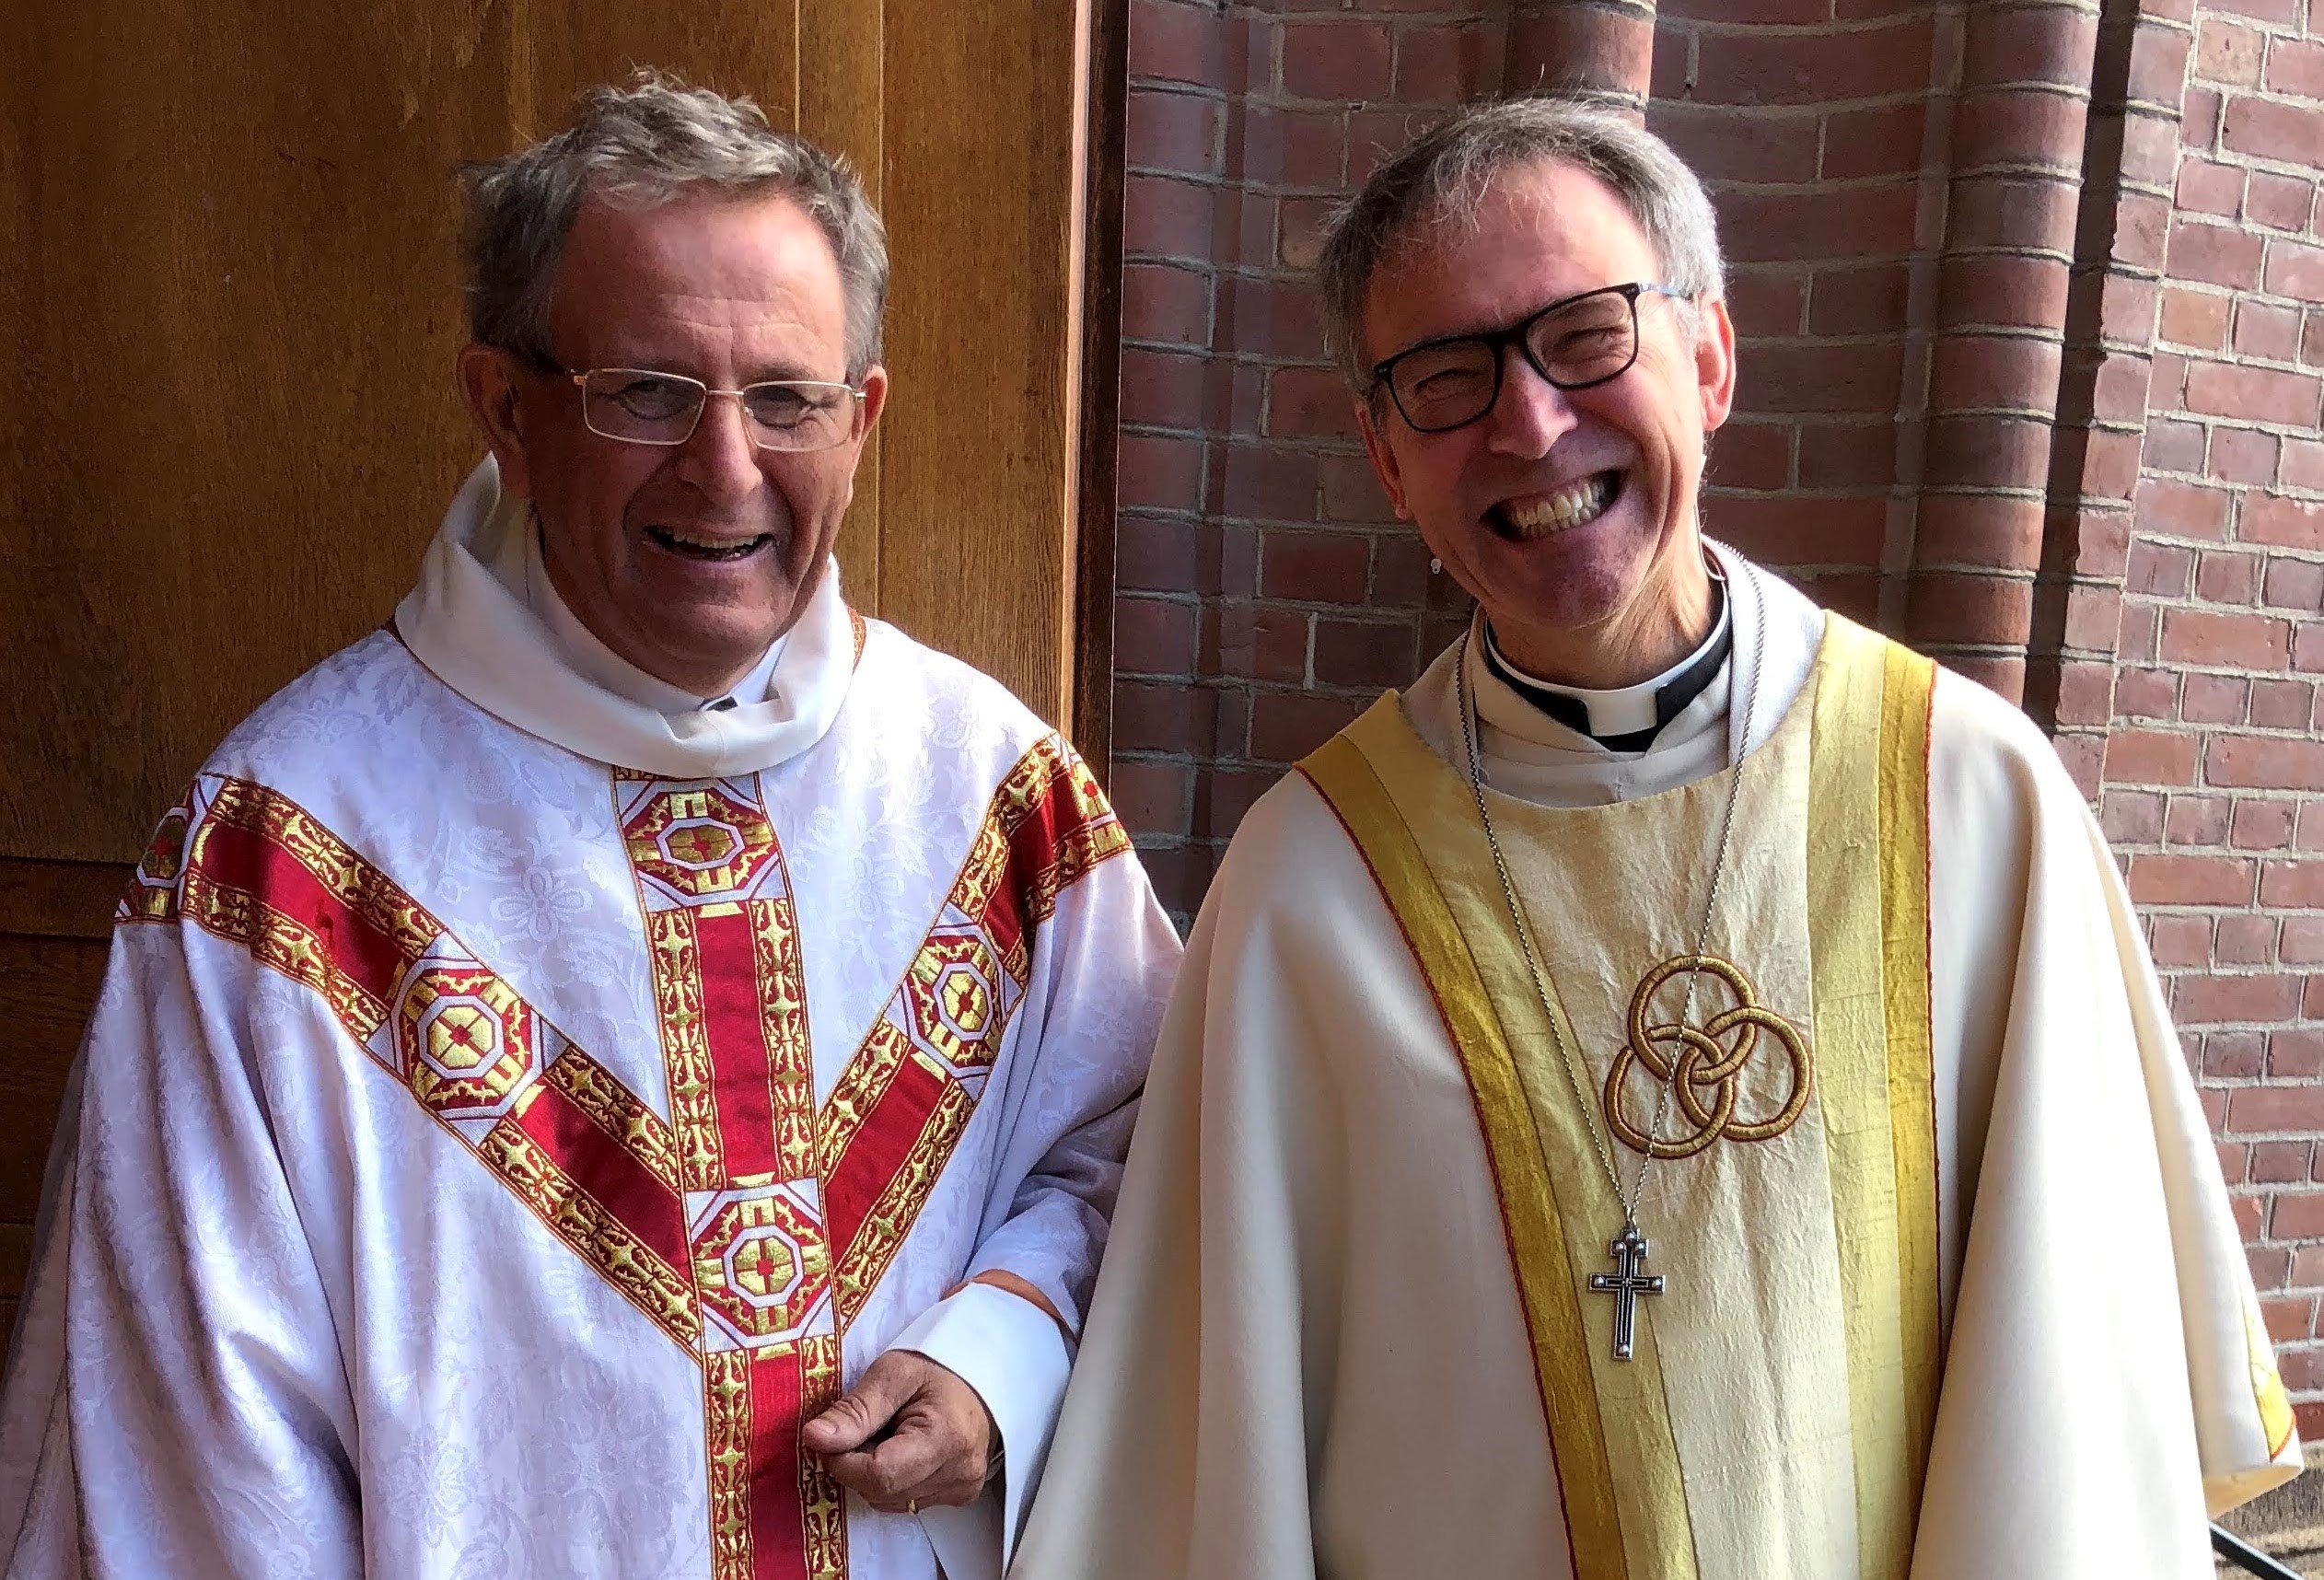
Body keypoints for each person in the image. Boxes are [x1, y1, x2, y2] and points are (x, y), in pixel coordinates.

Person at [1014, 98, 2299, 1580]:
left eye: (1584, 335)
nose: (1529, 423)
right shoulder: (1311, 888)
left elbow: (2068, 1420)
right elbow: (1214, 1476)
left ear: (1710, 357)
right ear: (1385, 457)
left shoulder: (1969, 802)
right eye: (1447, 377)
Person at [0, 76, 1179, 1580]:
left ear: (862, 418)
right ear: (504, 407)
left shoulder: (999, 798)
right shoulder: (279, 858)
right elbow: (186, 1448)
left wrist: (1003, 1354)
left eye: (787, 396)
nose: (728, 467)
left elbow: (1151, 1148)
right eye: (647, 393)